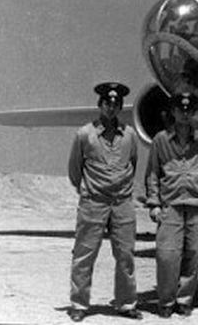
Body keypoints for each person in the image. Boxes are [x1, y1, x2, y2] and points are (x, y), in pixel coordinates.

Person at [68, 82, 142, 322]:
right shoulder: (84, 135)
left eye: (116, 104)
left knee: (125, 255)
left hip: (122, 203)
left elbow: (133, 163)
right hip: (94, 203)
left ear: (120, 107)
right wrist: (90, 191)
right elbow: (74, 171)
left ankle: (126, 304)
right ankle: (79, 304)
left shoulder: (130, 135)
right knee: (84, 254)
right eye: (107, 103)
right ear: (99, 105)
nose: (112, 107)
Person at [145, 91, 198, 318]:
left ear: (193, 113)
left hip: (195, 204)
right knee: (167, 254)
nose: (185, 114)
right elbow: (153, 173)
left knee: (193, 254)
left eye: (189, 110)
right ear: (173, 112)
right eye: (180, 109)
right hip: (171, 204)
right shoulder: (161, 140)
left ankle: (184, 299)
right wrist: (154, 203)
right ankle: (166, 300)